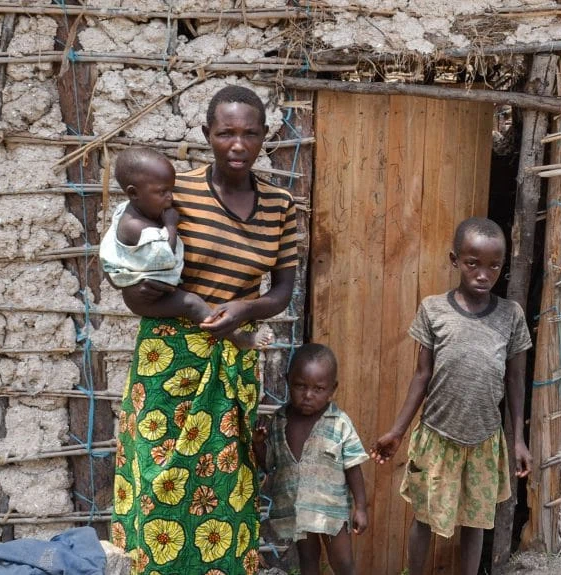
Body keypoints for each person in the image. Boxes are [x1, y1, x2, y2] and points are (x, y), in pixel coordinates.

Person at [112, 85, 298, 575]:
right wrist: (193, 306)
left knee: (223, 489)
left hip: (233, 360)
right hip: (168, 361)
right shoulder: (175, 193)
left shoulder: (281, 205)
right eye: (226, 133)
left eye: (250, 133)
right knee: (159, 484)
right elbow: (134, 284)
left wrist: (244, 308)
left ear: (265, 138)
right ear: (206, 135)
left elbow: (281, 293)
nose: (238, 144)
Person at [370, 217, 534, 575]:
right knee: (425, 517)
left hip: (485, 440)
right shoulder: (434, 309)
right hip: (436, 436)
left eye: (494, 265)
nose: (482, 274)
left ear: (502, 266)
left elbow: (516, 380)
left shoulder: (511, 315)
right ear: (454, 260)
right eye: (472, 263)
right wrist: (398, 430)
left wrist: (518, 439)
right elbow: (421, 375)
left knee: (476, 522)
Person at [99, 146, 271, 350]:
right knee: (191, 303)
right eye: (163, 192)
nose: (171, 197)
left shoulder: (137, 211)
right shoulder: (135, 225)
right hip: (145, 299)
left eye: (171, 190)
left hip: (155, 291)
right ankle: (239, 338)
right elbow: (164, 258)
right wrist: (171, 225)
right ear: (133, 193)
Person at [255, 344, 368, 575]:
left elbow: (353, 467)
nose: (308, 395)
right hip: (298, 509)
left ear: (332, 389)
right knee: (307, 559)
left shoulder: (339, 422)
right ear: (287, 381)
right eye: (300, 386)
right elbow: (269, 464)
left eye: (318, 389)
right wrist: (258, 443)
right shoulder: (279, 421)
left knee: (342, 562)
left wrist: (361, 507)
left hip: (332, 510)